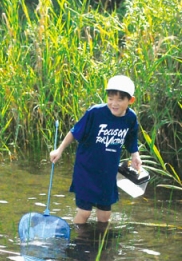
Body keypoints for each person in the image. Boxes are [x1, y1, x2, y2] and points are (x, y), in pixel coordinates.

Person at [49, 75, 142, 224]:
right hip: (86, 169)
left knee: (104, 217)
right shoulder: (95, 113)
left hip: (108, 172)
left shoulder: (130, 118)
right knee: (84, 212)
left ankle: (101, 245)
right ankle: (79, 243)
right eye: (111, 98)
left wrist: (135, 155)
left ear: (130, 100)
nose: (114, 103)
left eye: (120, 100)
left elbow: (131, 137)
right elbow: (74, 131)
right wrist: (59, 150)